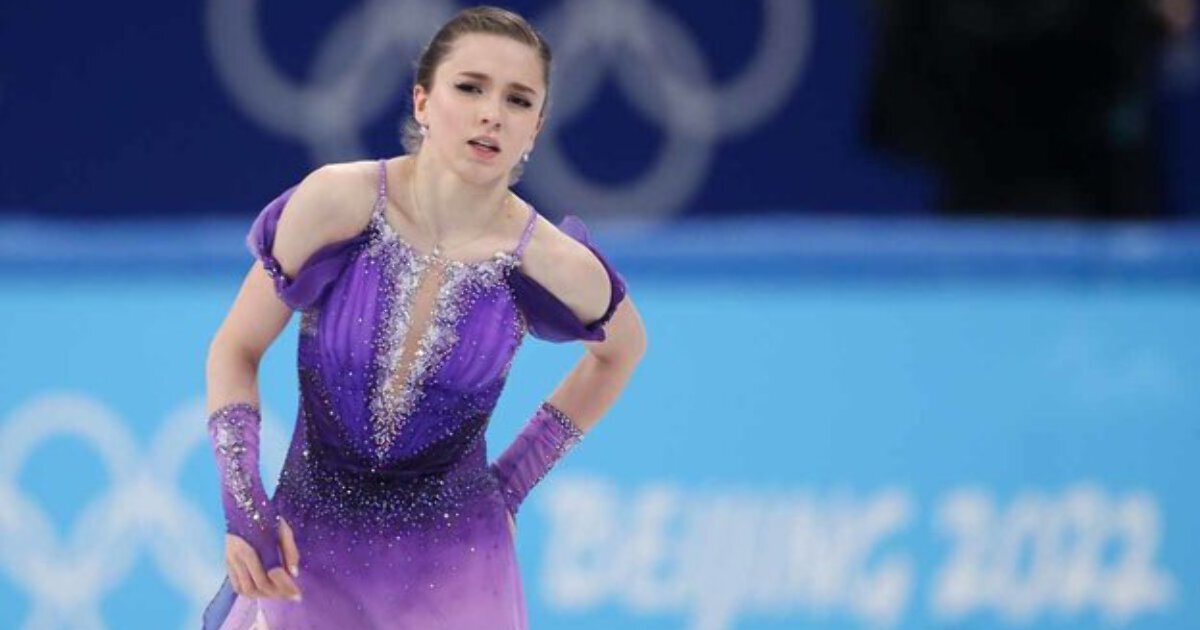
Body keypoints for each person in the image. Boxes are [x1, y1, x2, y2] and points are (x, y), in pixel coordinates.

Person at [200, 6, 648, 628]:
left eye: (518, 100)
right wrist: (244, 507)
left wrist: (516, 478)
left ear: (536, 128)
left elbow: (623, 348)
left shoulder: (550, 261)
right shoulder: (339, 201)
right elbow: (236, 348)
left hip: (458, 569)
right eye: (470, 88)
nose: (492, 114)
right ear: (422, 101)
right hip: (308, 553)